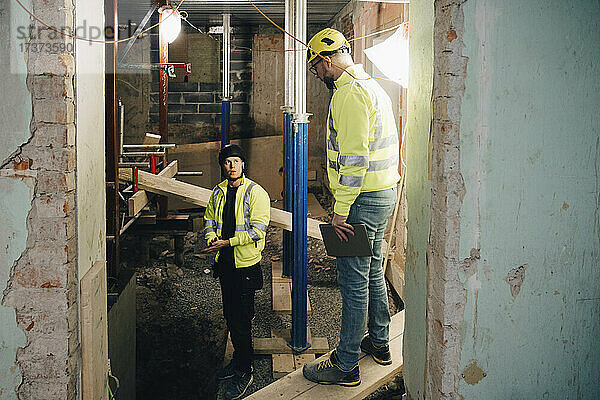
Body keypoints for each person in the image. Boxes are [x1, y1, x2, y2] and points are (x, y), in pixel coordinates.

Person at [302, 28, 400, 386]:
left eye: (315, 68)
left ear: (326, 61)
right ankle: (380, 343)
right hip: (383, 194)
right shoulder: (373, 87)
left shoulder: (348, 95)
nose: (316, 75)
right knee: (372, 272)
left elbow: (355, 160)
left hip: (361, 201)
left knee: (353, 281)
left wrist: (340, 210)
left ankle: (345, 363)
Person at [202, 144, 270, 399]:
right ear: (223, 165)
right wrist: (211, 238)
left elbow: (258, 230)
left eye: (236, 161)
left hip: (246, 266)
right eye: (227, 162)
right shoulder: (218, 192)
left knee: (241, 322)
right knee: (231, 317)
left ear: (244, 165)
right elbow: (209, 219)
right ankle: (237, 363)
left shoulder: (256, 193)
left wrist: (228, 242)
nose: (232, 166)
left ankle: (245, 370)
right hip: (225, 264)